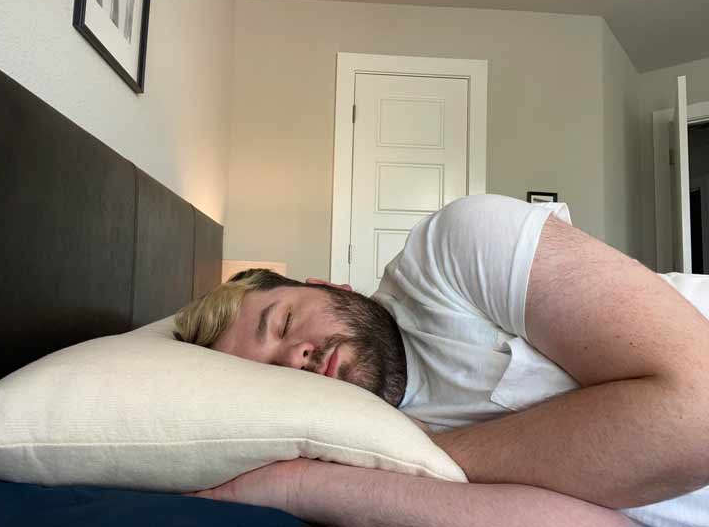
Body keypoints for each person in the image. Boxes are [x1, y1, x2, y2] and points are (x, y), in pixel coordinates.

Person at [175, 194, 709, 527]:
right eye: (271, 375)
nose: (296, 358)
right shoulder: (344, 449)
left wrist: (419, 455)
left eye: (285, 323)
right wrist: (300, 487)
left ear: (326, 285)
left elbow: (699, 411)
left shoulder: (449, 251)